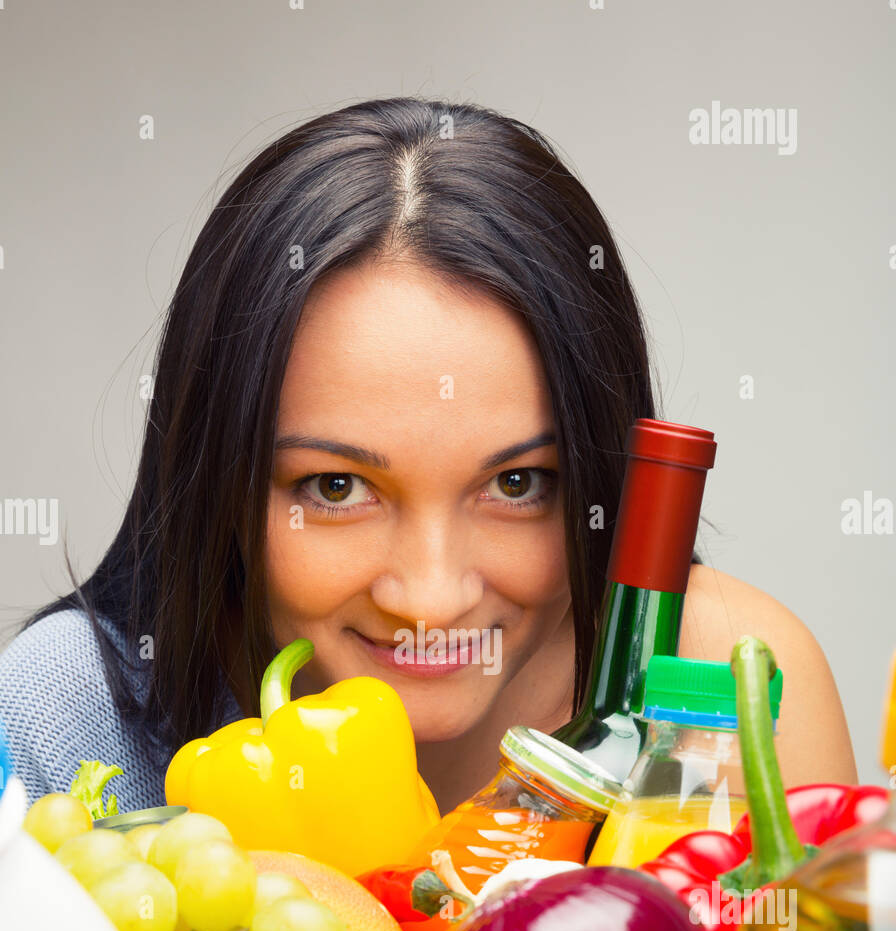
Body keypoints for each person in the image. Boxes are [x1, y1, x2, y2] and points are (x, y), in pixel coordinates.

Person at [0, 97, 856, 815]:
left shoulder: (723, 676)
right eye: (336, 487)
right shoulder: (69, 713)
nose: (431, 599)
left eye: (516, 484)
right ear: (218, 480)